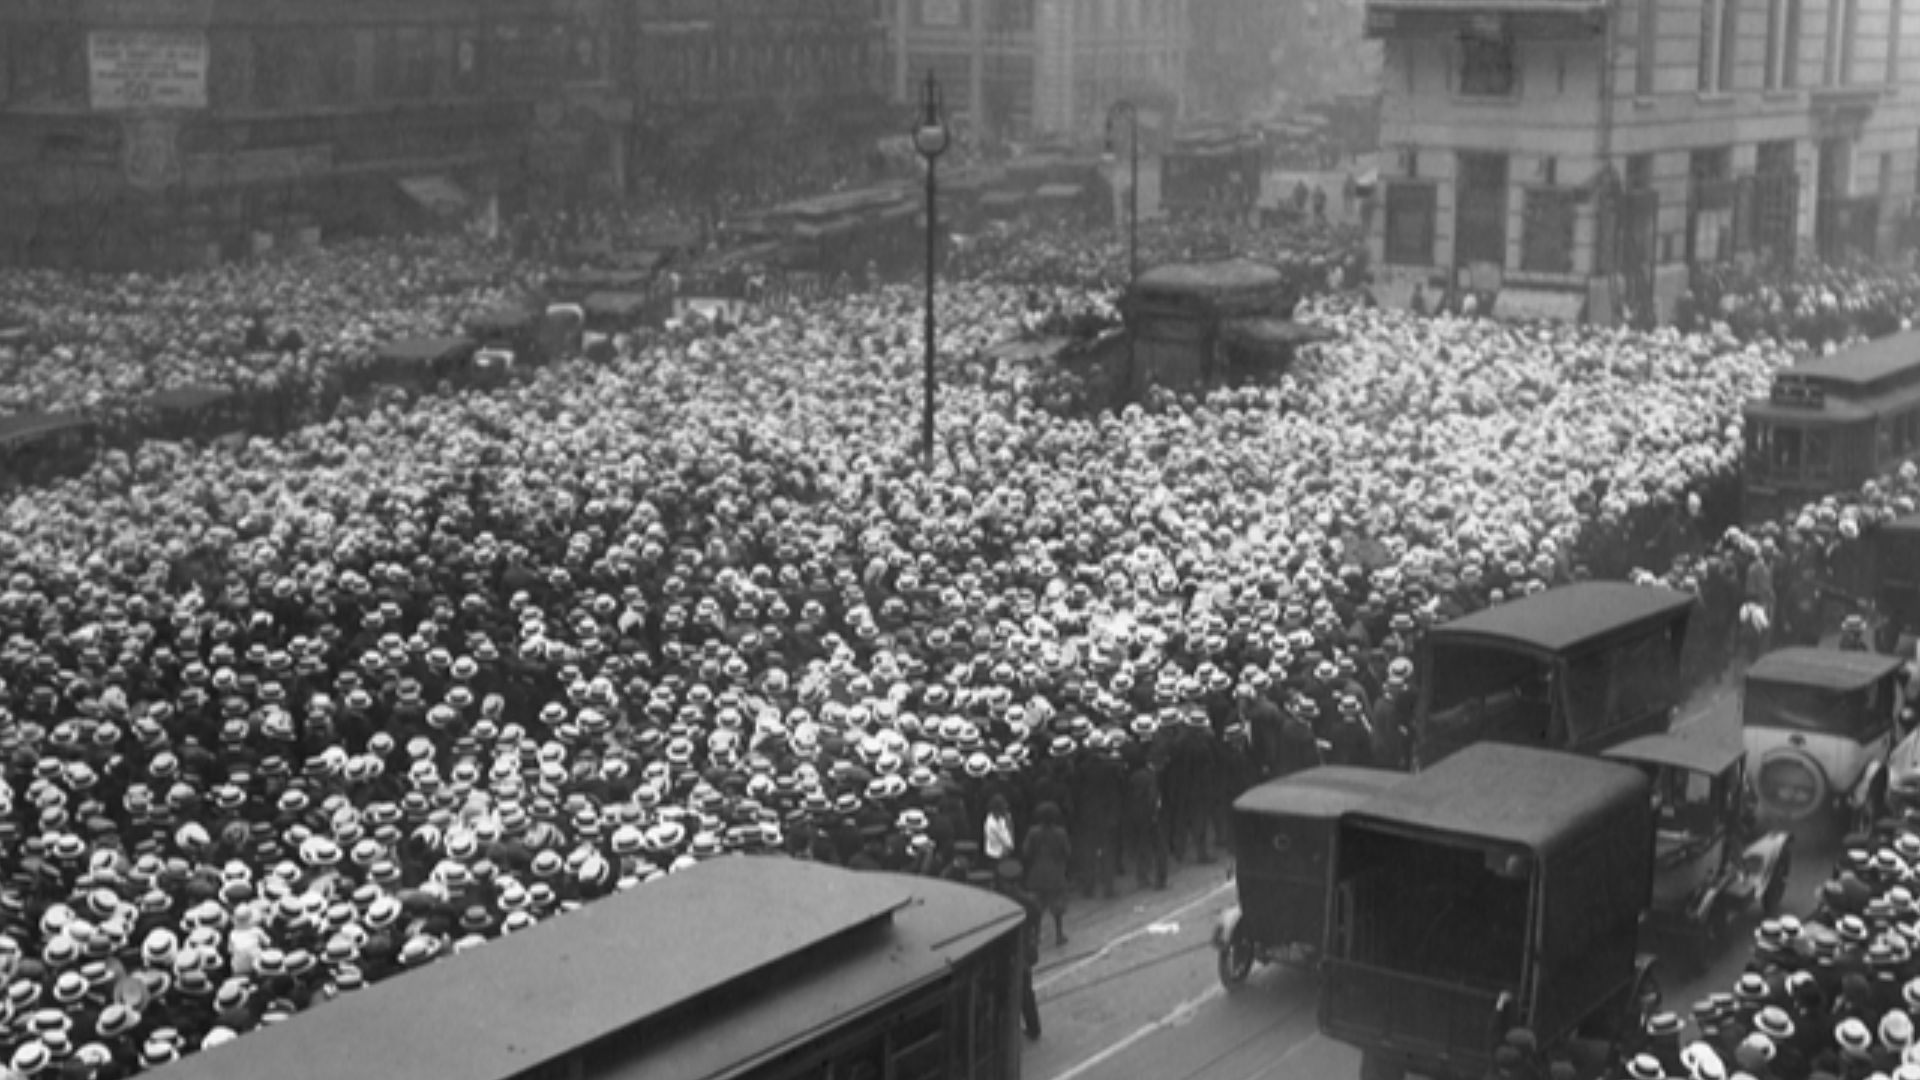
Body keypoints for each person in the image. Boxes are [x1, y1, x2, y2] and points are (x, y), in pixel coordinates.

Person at [991, 859, 1044, 1041]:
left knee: (1006, 993)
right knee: (1025, 992)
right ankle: (1033, 1027)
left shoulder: (1000, 902)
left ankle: (1007, 1032)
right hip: (1023, 952)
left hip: (1008, 953)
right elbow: (1037, 920)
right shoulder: (1028, 901)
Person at [1022, 802, 1073, 947]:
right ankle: (1059, 935)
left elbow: (1026, 852)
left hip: (1036, 874)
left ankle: (1036, 936)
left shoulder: (1033, 833)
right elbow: (1067, 852)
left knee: (1037, 907)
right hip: (1056, 874)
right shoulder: (1060, 833)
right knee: (1057, 907)